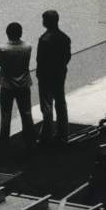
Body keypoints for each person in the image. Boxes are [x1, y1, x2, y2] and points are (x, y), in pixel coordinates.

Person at [0, 22, 36, 154]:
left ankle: (3, 143)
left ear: (7, 33)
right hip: (24, 84)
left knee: (6, 115)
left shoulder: (3, 49)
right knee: (26, 113)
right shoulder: (28, 47)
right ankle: (30, 141)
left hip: (7, 86)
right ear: (20, 33)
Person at [36, 10, 72, 147]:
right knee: (60, 102)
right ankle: (63, 134)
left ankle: (47, 135)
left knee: (47, 105)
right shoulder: (65, 37)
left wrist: (40, 73)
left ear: (46, 22)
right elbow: (67, 57)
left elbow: (40, 59)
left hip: (46, 76)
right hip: (60, 74)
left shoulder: (44, 39)